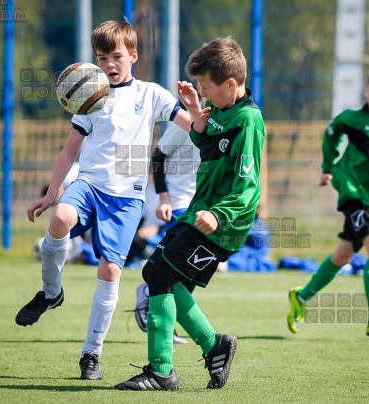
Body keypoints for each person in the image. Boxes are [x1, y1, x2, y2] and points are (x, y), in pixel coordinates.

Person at [14, 20, 191, 381]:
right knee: (60, 217)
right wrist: (51, 193)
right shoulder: (90, 96)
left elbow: (194, 126)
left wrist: (195, 107)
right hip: (89, 184)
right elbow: (68, 151)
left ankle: (91, 354)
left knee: (110, 272)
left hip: (126, 199)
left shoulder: (151, 94)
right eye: (101, 57)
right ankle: (51, 292)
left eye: (116, 56)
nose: (109, 64)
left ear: (133, 56)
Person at [115, 36, 265, 391]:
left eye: (207, 87)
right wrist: (197, 113)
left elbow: (248, 187)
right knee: (154, 271)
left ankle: (162, 371)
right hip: (199, 213)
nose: (204, 92)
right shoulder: (223, 110)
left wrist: (219, 215)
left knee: (162, 278)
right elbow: (206, 143)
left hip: (221, 223)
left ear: (230, 84)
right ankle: (215, 346)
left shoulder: (249, 121)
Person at [287, 65, 369, 337]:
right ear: (366, 91)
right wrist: (328, 167)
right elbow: (331, 133)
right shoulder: (349, 118)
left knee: (342, 255)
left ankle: (301, 297)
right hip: (351, 190)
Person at [133, 94, 203, 344]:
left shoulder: (224, 121)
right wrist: (164, 199)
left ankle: (154, 301)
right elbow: (157, 157)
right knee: (178, 267)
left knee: (194, 269)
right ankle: (150, 295)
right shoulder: (185, 123)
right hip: (178, 205)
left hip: (201, 206)